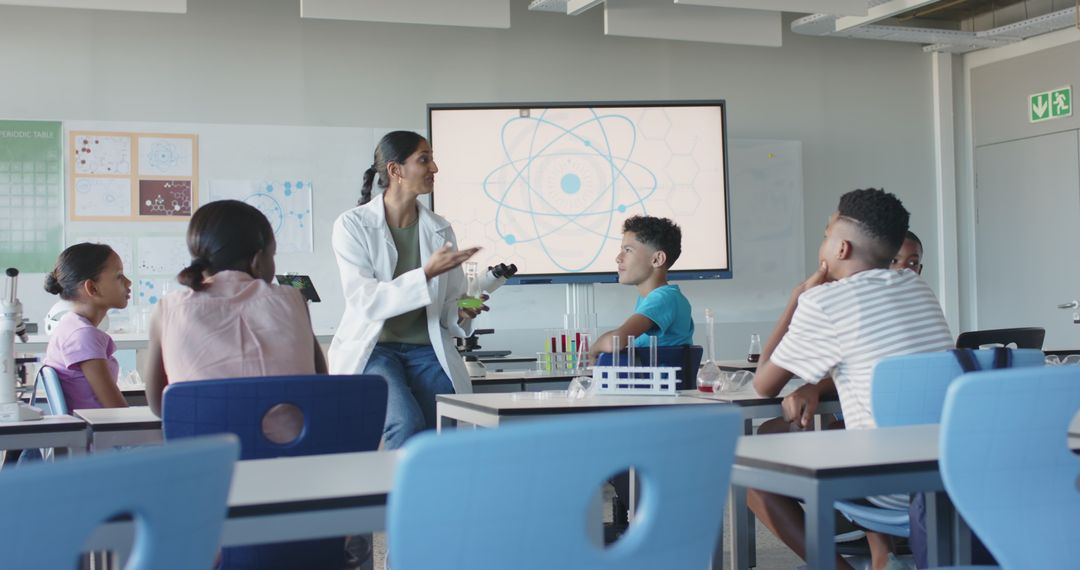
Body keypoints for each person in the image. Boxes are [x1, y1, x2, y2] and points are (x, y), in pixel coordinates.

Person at [748, 188, 953, 570]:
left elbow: (764, 384)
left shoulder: (824, 302)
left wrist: (797, 297)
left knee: (753, 476)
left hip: (887, 486)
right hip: (947, 474)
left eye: (826, 234)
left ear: (841, 248)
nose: (823, 243)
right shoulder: (918, 288)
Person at [328, 130, 484, 450]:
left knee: (447, 425)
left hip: (426, 349)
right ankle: (404, 499)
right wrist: (425, 273)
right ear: (395, 171)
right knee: (405, 422)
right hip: (375, 350)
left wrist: (464, 309)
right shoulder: (352, 225)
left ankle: (437, 499)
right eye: (423, 160)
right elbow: (365, 301)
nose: (434, 168)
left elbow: (450, 302)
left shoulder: (440, 228)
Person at [143, 200, 326, 436]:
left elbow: (160, 405)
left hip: (210, 459)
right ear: (257, 261)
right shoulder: (292, 299)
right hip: (289, 456)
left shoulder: (167, 309)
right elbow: (320, 385)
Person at [42, 243, 131, 410]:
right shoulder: (83, 335)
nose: (128, 282)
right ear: (92, 287)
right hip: (99, 432)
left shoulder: (70, 325)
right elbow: (116, 409)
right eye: (119, 276)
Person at [589, 215, 693, 357]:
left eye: (628, 250)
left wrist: (593, 350)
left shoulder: (664, 298)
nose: (618, 258)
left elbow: (616, 342)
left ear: (657, 259)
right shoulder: (649, 299)